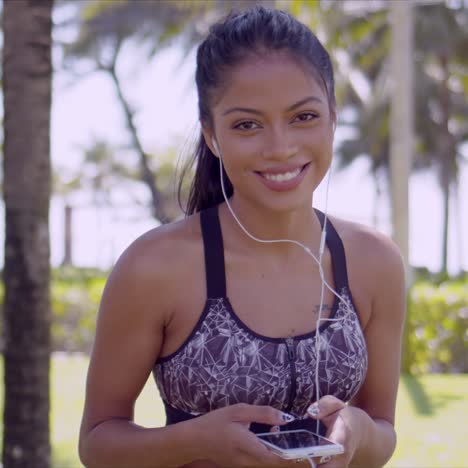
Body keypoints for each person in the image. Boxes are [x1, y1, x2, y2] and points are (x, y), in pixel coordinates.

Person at [79, 6, 405, 468]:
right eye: (247, 124)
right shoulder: (155, 267)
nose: (280, 148)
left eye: (303, 116)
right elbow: (97, 442)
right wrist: (197, 442)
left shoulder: (374, 262)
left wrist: (358, 433)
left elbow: (384, 432)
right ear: (211, 136)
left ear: (333, 117)